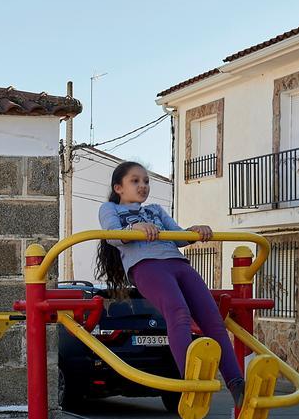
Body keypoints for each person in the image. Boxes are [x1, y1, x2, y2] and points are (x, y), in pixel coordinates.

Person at [95, 161, 245, 403]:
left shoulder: (155, 209)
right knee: (179, 312)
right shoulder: (110, 208)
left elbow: (178, 236)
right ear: (118, 187)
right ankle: (190, 380)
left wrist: (195, 231)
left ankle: (236, 382)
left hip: (177, 263)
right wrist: (135, 227)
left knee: (213, 320)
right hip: (147, 266)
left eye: (146, 181)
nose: (142, 186)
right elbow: (112, 235)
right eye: (135, 181)